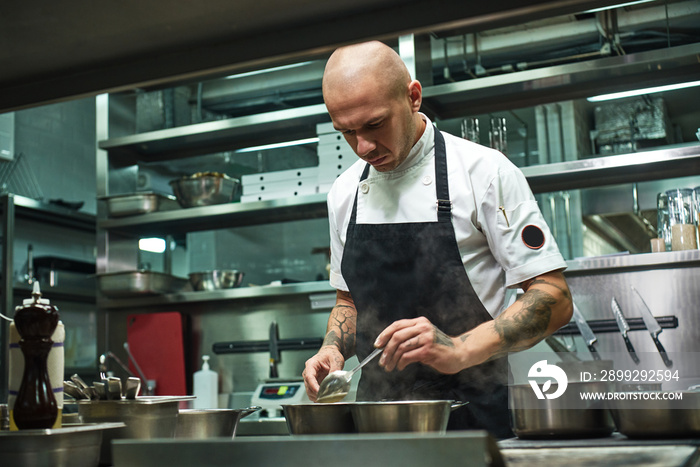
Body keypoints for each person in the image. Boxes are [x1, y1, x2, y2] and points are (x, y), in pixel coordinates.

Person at [302, 40, 573, 439]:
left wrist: (460, 348)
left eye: (375, 124)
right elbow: (349, 299)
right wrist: (333, 348)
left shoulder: (484, 173)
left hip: (477, 421)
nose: (363, 147)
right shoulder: (344, 193)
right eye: (346, 132)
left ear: (413, 97)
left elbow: (554, 297)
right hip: (380, 428)